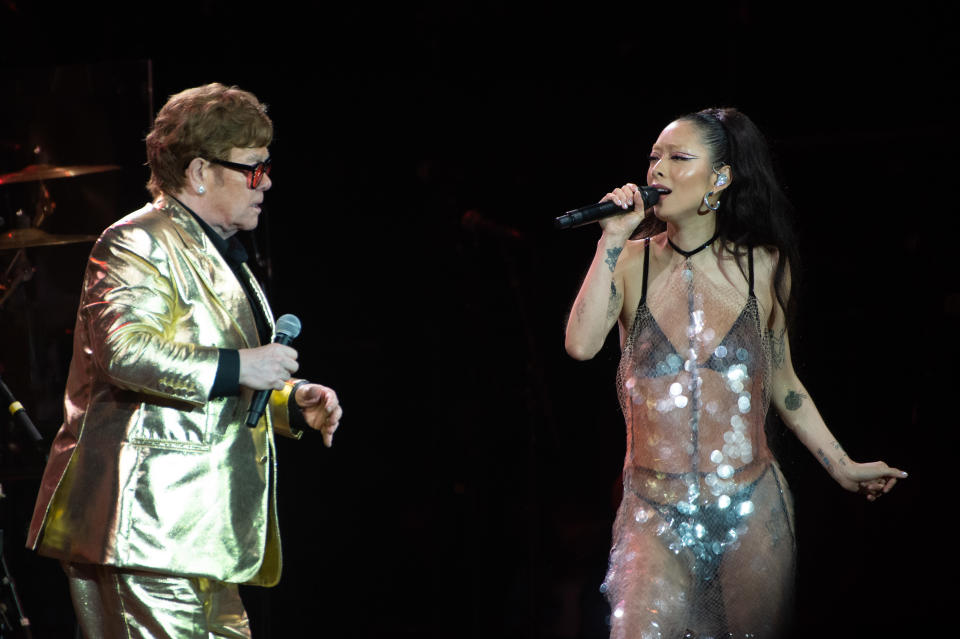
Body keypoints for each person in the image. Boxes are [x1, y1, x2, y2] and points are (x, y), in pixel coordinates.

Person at [564, 107, 906, 638]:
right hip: (654, 514)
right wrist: (611, 236)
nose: (657, 170)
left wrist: (842, 466)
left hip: (750, 510)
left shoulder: (764, 265)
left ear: (719, 178)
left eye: (678, 158)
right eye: (654, 157)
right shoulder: (631, 261)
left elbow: (785, 383)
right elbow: (581, 346)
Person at [25, 83, 342, 638]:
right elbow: (125, 352)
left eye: (265, 166)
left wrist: (290, 402)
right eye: (251, 168)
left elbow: (212, 375)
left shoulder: (215, 248)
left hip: (197, 538)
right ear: (199, 170)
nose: (265, 181)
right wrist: (244, 366)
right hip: (147, 532)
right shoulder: (135, 242)